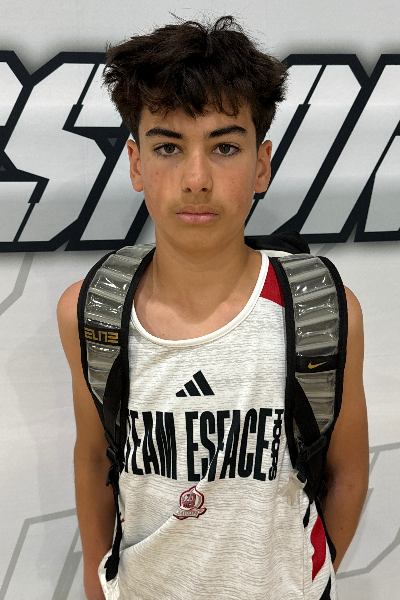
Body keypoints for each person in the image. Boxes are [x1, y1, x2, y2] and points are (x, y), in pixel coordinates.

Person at [57, 16, 369, 600]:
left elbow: (348, 474)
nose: (196, 178)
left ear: (261, 164)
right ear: (136, 163)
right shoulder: (92, 313)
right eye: (168, 147)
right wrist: (98, 589)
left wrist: (303, 583)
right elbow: (95, 459)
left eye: (224, 147)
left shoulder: (324, 313)